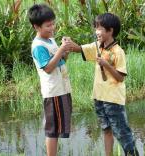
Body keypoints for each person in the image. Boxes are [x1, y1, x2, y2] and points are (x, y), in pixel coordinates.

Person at [68, 13, 139, 156]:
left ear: (110, 31)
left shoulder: (118, 52)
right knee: (106, 130)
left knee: (122, 133)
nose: (96, 32)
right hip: (99, 97)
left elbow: (120, 77)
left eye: (99, 28)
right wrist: (69, 43)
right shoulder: (97, 46)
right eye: (95, 28)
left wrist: (106, 64)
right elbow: (79, 49)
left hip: (113, 100)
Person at [28, 4, 73, 156]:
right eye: (48, 25)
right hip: (52, 91)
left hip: (62, 88)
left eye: (53, 23)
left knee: (58, 126)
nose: (52, 27)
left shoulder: (51, 40)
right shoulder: (38, 46)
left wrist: (65, 50)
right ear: (36, 27)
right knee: (52, 129)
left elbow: (61, 61)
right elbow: (47, 68)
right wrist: (61, 49)